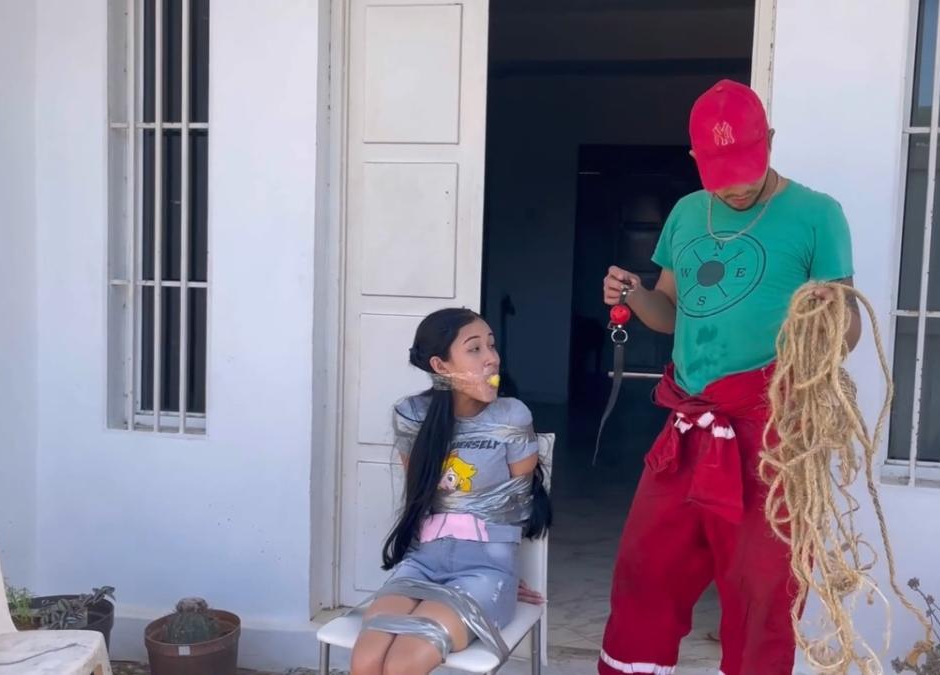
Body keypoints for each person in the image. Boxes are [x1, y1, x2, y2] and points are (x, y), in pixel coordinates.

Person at [596, 80, 862, 675]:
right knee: (646, 569)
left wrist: (827, 319)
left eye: (747, 168)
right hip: (690, 423)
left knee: (763, 589)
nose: (737, 187)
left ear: (770, 140)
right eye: (722, 175)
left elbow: (848, 331)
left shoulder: (818, 215)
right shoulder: (688, 212)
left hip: (773, 432)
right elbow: (669, 313)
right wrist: (633, 292)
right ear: (696, 159)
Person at [350, 307, 552, 675]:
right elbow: (420, 498)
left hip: (484, 571)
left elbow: (517, 507)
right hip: (420, 565)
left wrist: (505, 574)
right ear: (440, 366)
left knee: (403, 662)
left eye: (491, 345)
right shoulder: (412, 414)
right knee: (366, 660)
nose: (492, 358)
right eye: (475, 349)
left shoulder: (512, 415)